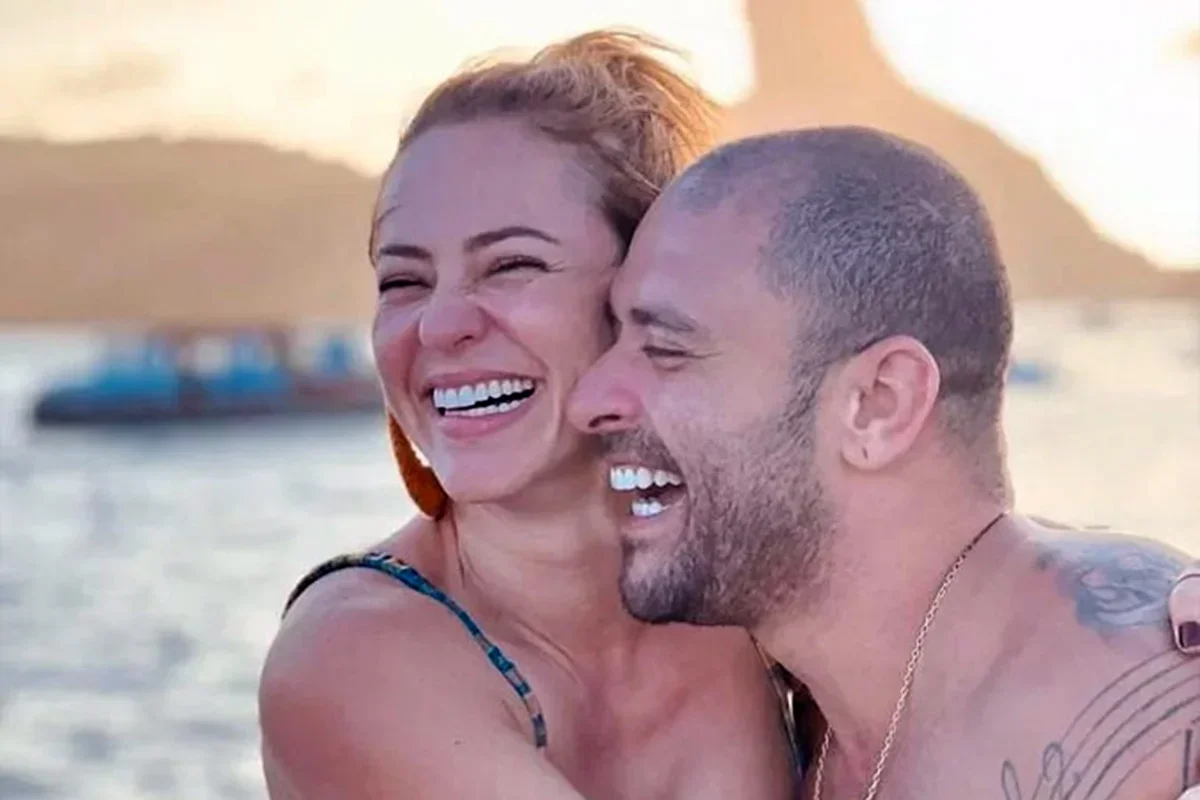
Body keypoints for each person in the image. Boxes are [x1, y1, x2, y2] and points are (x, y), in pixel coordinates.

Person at [567, 125, 1200, 798]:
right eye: (613, 339)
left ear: (879, 403)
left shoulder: (1154, 710)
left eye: (666, 349)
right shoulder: (797, 725)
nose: (589, 400)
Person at [257, 31, 800, 799]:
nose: (440, 325)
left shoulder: (762, 602)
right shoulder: (354, 653)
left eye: (510, 265)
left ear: (656, 295)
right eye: (403, 282)